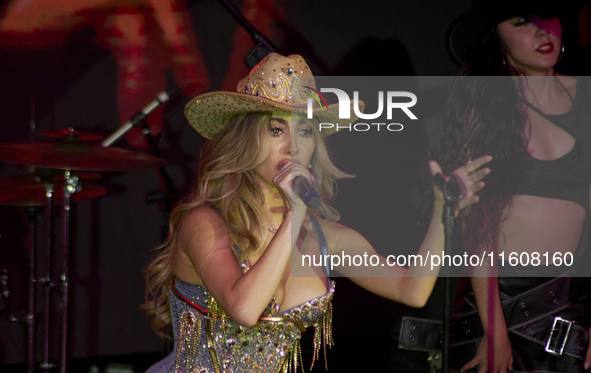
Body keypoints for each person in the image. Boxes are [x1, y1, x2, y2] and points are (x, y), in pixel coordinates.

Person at [142, 53, 491, 372]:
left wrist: (443, 212)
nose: (293, 145)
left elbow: (412, 289)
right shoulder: (204, 223)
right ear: (246, 139)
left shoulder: (324, 236)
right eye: (276, 129)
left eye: (305, 131)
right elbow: (245, 308)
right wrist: (295, 212)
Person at [432, 0, 591, 371]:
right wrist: (495, 332)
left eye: (548, 17)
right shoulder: (485, 110)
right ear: (496, 38)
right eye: (522, 22)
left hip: (571, 309)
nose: (543, 31)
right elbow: (479, 230)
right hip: (499, 310)